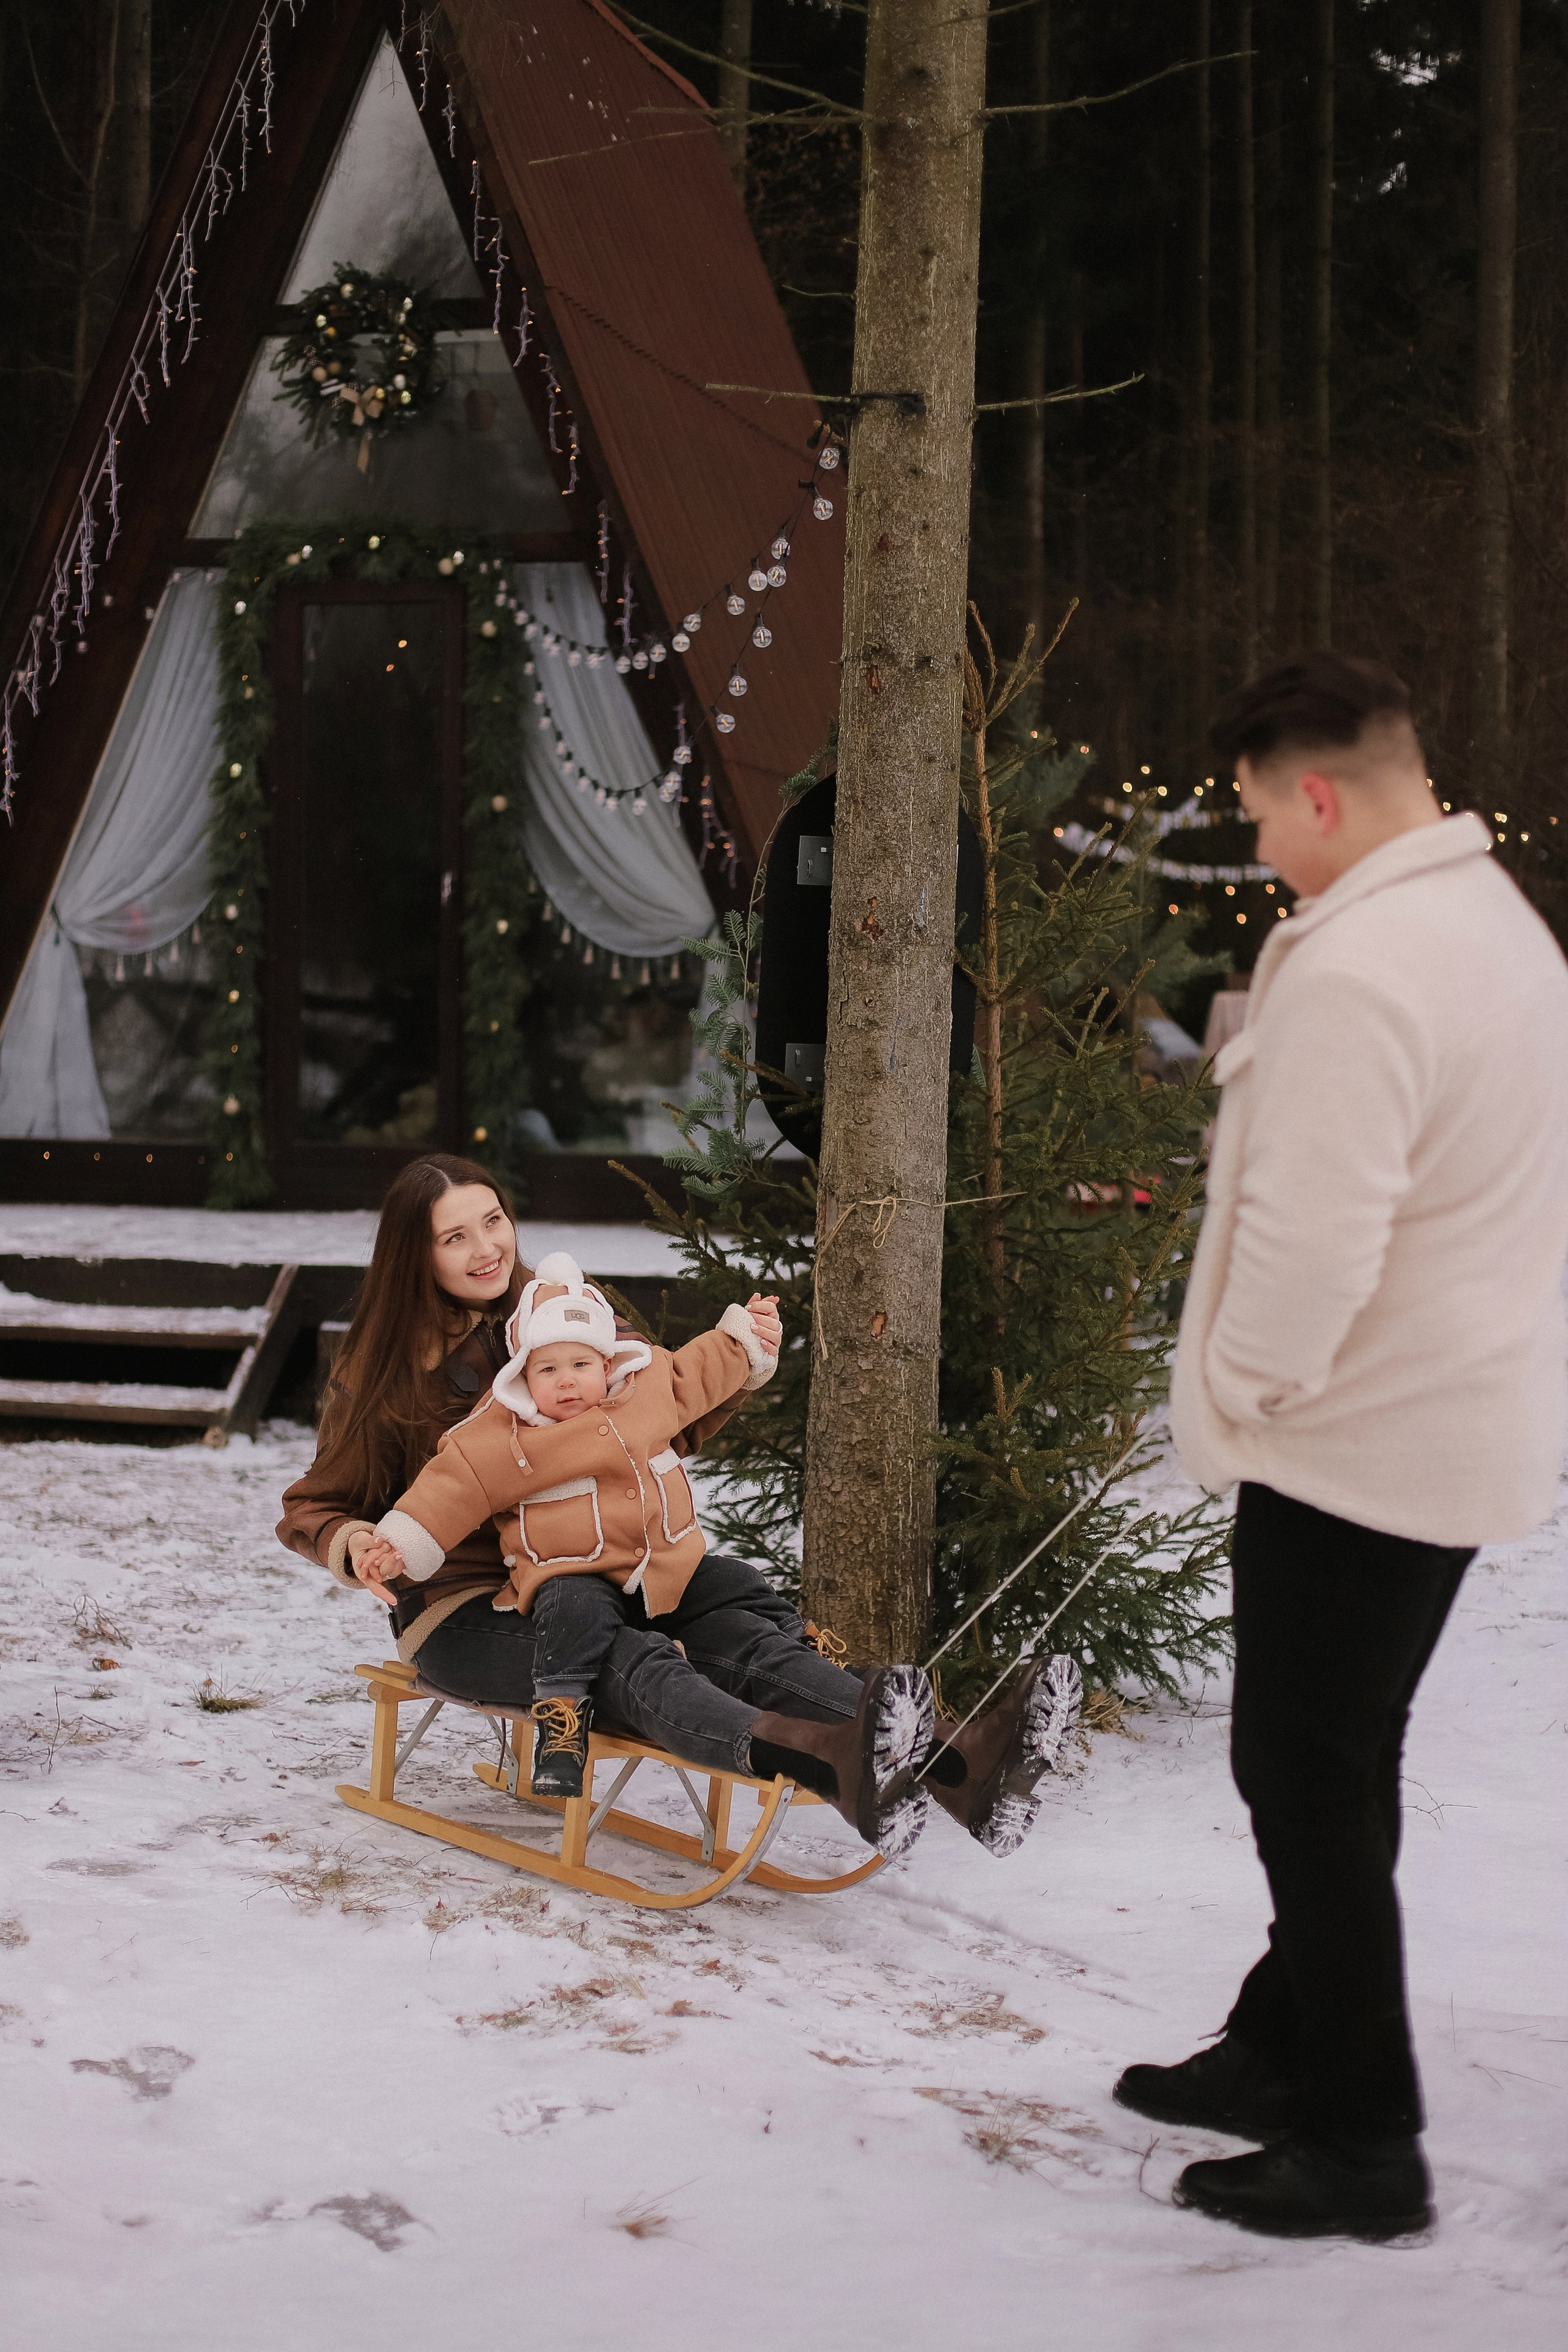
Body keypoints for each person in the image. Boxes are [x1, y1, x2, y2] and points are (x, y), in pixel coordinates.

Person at [1113, 654, 1568, 2240]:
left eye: (1254, 816)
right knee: (1335, 1757)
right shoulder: (1497, 927)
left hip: (1360, 1440)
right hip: (1449, 1426)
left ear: (1320, 793)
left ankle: (1366, 2143)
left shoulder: (1370, 969)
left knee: (1300, 1770)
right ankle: (1281, 2045)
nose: (1254, 852)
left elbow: (1313, 1248)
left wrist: (1245, 1393)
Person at [279, 1155, 1080, 1867]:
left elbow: (663, 1415)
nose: (486, 1247)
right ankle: (822, 1762)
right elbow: (318, 1505)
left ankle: (961, 1761)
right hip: (460, 1609)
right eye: (455, 1237)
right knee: (622, 1659)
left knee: (735, 1626)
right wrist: (356, 1543)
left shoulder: (568, 1314)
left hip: (606, 1563)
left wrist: (742, 1361)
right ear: (415, 1255)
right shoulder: (384, 1367)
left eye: (493, 1221)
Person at [354, 1248, 788, 1802]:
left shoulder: (635, 1390)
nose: (565, 1383)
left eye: (580, 1367)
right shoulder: (509, 1436)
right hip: (561, 1579)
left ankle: (805, 1648)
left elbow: (692, 1373)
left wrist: (744, 1338)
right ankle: (561, 1724)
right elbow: (449, 1489)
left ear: (606, 1366)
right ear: (522, 1379)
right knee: (575, 1613)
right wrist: (394, 1543)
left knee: (736, 1579)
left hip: (643, 1574)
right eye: (548, 1371)